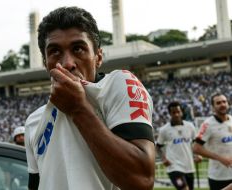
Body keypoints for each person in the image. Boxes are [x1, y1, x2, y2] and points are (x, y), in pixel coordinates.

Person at [24, 6, 155, 190]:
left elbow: (142, 180)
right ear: (46, 63)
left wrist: (78, 109)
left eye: (78, 49)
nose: (67, 63)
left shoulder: (118, 84)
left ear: (98, 57)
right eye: (55, 52)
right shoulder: (33, 122)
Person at [156, 101, 202, 190]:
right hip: (174, 167)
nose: (176, 114)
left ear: (182, 112)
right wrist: (163, 159)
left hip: (189, 167)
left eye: (178, 112)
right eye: (173, 112)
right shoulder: (164, 130)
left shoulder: (190, 126)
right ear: (170, 114)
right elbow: (157, 147)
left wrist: (198, 155)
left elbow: (196, 143)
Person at [193, 93, 232, 190]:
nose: (222, 104)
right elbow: (196, 147)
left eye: (224, 102)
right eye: (218, 103)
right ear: (213, 107)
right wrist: (220, 158)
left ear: (228, 103)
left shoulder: (231, 119)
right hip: (219, 177)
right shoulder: (208, 124)